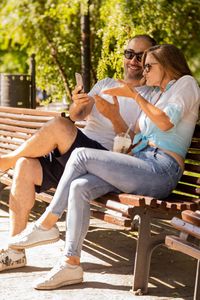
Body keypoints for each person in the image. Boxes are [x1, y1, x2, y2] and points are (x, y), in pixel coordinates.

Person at [8, 44, 200, 290]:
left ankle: (46, 224)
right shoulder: (160, 93)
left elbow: (165, 123)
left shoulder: (186, 84)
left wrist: (136, 96)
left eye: (149, 66)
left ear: (167, 65)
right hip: (142, 163)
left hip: (162, 169)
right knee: (79, 186)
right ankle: (71, 264)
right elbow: (137, 136)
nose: (144, 71)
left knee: (81, 156)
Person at [0, 34, 157, 271]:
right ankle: (14, 251)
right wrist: (77, 103)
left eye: (140, 55)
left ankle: (5, 162)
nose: (133, 60)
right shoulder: (105, 84)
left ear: (149, 61)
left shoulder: (150, 97)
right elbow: (76, 116)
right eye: (129, 54)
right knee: (25, 165)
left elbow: (135, 145)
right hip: (75, 153)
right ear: (123, 56)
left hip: (106, 161)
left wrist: (115, 117)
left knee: (59, 125)